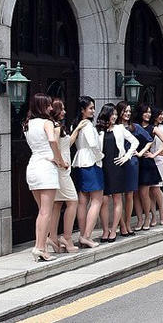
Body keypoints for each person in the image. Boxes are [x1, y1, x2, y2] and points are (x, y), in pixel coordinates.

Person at [23, 93, 65, 262]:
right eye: (47, 105)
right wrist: (59, 160)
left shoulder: (27, 124)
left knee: (42, 211)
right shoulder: (47, 123)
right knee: (46, 212)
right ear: (41, 107)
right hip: (46, 167)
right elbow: (53, 141)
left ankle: (41, 246)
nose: (50, 108)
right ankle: (40, 247)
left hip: (33, 166)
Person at [98, 103, 138, 242]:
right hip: (102, 166)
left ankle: (114, 230)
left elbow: (135, 142)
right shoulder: (98, 130)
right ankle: (105, 230)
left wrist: (126, 157)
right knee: (103, 200)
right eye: (112, 114)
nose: (114, 116)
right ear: (106, 115)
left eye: (116, 114)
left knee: (117, 198)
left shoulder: (120, 128)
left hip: (117, 166)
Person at [70, 96, 103, 248]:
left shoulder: (75, 125)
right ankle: (87, 236)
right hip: (91, 162)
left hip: (79, 163)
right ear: (83, 110)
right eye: (90, 108)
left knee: (83, 200)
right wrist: (100, 157)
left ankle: (83, 235)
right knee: (97, 200)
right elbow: (94, 146)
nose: (93, 110)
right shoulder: (88, 126)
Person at [49, 99, 81, 253]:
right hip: (61, 171)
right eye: (61, 109)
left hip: (58, 171)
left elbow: (65, 144)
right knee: (73, 201)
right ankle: (66, 238)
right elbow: (53, 145)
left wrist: (77, 129)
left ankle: (53, 238)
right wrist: (61, 162)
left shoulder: (56, 127)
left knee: (57, 204)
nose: (64, 112)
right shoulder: (55, 128)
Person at [133, 104, 163, 230]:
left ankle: (148, 218)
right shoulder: (134, 127)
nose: (148, 115)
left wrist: (154, 154)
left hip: (146, 162)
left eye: (150, 112)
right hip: (135, 161)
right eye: (145, 112)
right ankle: (139, 219)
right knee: (135, 194)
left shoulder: (153, 128)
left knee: (145, 193)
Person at [114, 101, 142, 237]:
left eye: (129, 111)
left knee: (130, 194)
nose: (128, 114)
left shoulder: (134, 127)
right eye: (125, 111)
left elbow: (149, 139)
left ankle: (127, 222)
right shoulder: (114, 127)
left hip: (131, 162)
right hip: (117, 162)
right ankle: (122, 226)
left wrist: (139, 153)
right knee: (118, 195)